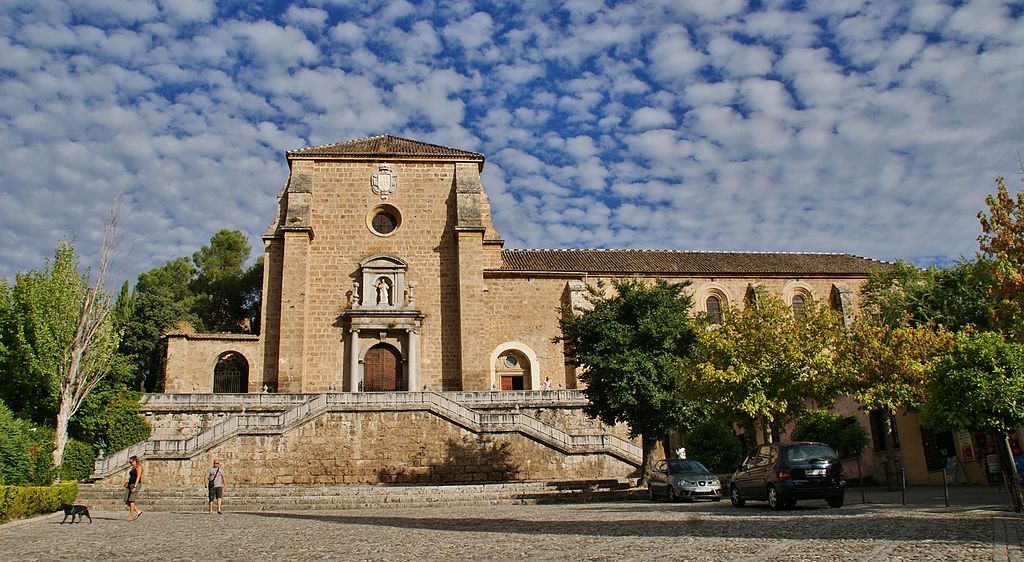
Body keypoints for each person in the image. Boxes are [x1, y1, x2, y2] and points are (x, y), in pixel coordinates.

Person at [124, 455, 143, 521]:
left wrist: (135, 486)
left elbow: (138, 477)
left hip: (136, 485)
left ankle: (131, 515)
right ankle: (137, 511)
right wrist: (128, 483)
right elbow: (132, 476)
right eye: (129, 462)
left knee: (131, 500)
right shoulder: (133, 467)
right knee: (126, 500)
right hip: (130, 484)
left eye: (131, 462)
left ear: (135, 461)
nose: (130, 463)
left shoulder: (139, 467)